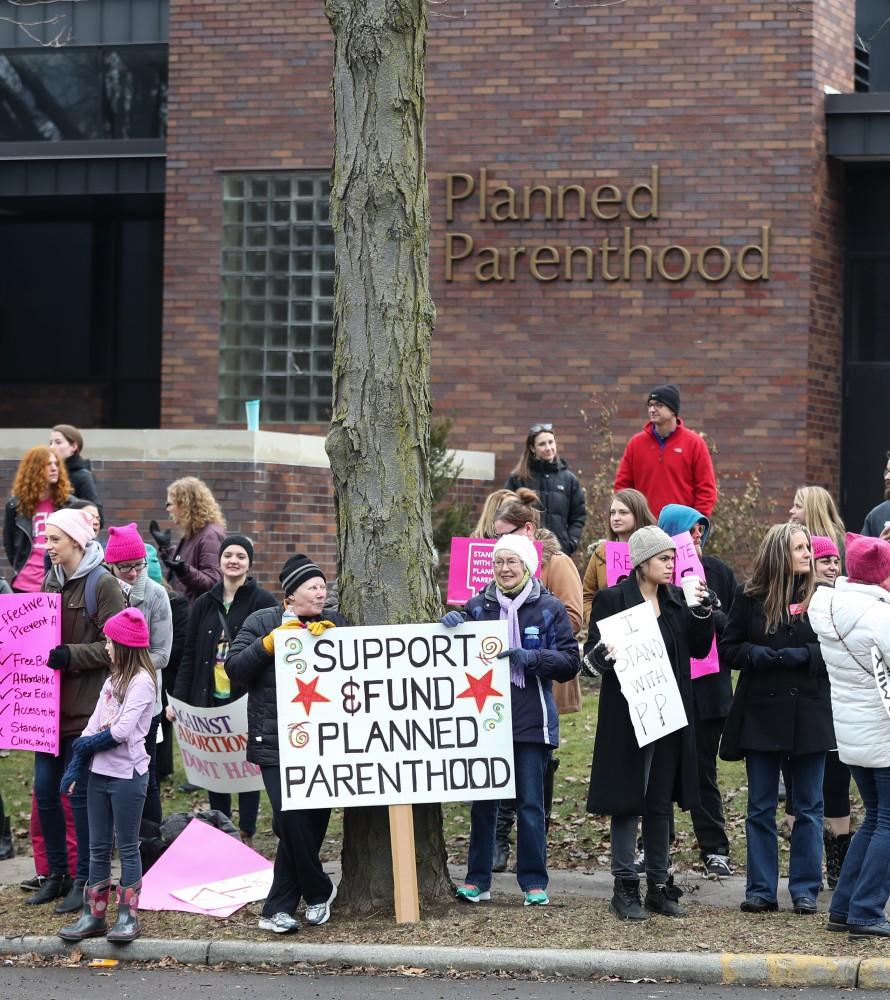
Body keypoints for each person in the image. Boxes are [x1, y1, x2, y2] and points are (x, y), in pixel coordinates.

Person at [443, 533, 580, 907]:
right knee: (483, 804)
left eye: (511, 562)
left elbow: (570, 662)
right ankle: (477, 879)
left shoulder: (548, 608)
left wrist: (533, 659)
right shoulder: (477, 606)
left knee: (530, 806)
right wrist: (452, 623)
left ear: (527, 567)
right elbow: (454, 657)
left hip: (531, 721)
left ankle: (534, 881)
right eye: (498, 562)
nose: (504, 569)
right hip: (486, 723)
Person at [585, 526, 714, 920]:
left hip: (670, 714)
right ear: (642, 563)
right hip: (629, 717)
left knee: (660, 801)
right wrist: (603, 656)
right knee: (629, 799)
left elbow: (698, 648)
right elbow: (590, 662)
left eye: (673, 558)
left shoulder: (675, 599)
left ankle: (658, 884)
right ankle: (625, 886)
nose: (671, 565)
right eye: (664, 559)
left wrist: (702, 612)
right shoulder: (612, 600)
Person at [225, 554, 346, 933]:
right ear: (290, 595)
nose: (321, 593)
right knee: (290, 818)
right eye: (313, 587)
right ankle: (318, 890)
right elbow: (234, 669)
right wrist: (268, 645)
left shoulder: (335, 624)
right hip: (276, 741)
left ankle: (276, 910)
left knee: (312, 822)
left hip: (324, 743)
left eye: (323, 586)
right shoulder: (262, 622)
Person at [719, 523, 834, 915]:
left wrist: (807, 656)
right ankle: (761, 889)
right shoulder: (750, 596)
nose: (808, 554)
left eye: (808, 548)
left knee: (809, 806)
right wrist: (754, 654)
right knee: (760, 806)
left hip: (810, 712)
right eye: (800, 548)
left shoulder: (824, 597)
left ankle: (805, 888)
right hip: (761, 714)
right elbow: (729, 647)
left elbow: (839, 650)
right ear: (779, 554)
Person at [30, 508, 127, 913]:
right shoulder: (49, 582)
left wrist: (69, 654)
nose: (47, 547)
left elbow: (116, 647)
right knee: (46, 793)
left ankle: (87, 879)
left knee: (81, 799)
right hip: (43, 713)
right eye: (46, 539)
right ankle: (57, 874)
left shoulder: (102, 584)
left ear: (75, 541)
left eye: (54, 539)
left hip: (86, 712)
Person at [484, 489, 584, 873]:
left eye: (504, 533)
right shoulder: (495, 565)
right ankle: (499, 836)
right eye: (494, 537)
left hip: (541, 674)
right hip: (499, 680)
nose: (497, 544)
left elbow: (572, 617)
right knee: (502, 756)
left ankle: (532, 840)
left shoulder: (555, 564)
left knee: (535, 758)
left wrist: (531, 629)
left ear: (527, 529)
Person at [57, 607, 157, 943]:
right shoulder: (111, 681)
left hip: (128, 775)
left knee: (128, 847)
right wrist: (75, 767)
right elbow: (90, 726)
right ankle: (94, 916)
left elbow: (121, 732)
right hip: (99, 774)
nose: (107, 647)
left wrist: (84, 748)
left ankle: (128, 917)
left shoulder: (143, 682)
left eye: (111, 642)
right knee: (98, 847)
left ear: (125, 646)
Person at [169, 533, 277, 844]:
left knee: (246, 767)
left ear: (249, 564)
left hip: (247, 700)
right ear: (220, 561)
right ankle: (222, 830)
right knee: (216, 767)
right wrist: (178, 700)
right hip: (209, 700)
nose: (234, 560)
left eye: (241, 556)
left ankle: (246, 833)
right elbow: (190, 656)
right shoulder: (204, 603)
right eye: (228, 555)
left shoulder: (264, 602)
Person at [809, 533, 890, 938]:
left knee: (876, 818)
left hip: (853, 734)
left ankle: (843, 908)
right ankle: (866, 910)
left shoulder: (833, 609)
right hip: (883, 731)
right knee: (888, 821)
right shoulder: (879, 616)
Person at [657, 504, 738, 878]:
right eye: (690, 531)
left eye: (701, 531)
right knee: (660, 768)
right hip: (664, 685)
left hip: (707, 689)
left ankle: (715, 847)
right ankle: (655, 845)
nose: (697, 538)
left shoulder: (718, 572)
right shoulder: (652, 576)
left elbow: (734, 632)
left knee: (703, 768)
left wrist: (713, 610)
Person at [105, 523, 173, 826]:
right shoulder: (103, 590)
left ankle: (149, 841)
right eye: (124, 567)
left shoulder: (156, 596)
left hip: (145, 701)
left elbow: (162, 653)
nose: (132, 573)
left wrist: (126, 664)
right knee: (105, 772)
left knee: (144, 771)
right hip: (106, 700)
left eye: (138, 565)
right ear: (110, 564)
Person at [613, 384, 717, 518]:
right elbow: (623, 487)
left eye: (659, 405)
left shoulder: (694, 443)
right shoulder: (636, 443)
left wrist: (697, 522)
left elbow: (706, 489)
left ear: (673, 410)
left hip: (682, 528)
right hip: (644, 527)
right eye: (650, 405)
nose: (652, 409)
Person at [504, 423, 586, 556]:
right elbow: (505, 513)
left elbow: (578, 516)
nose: (548, 448)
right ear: (532, 448)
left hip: (558, 551)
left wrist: (571, 543)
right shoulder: (518, 478)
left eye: (551, 442)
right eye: (542, 444)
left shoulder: (569, 479)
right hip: (524, 551)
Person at [4, 445, 73, 592]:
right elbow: (9, 544)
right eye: (48, 464)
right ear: (34, 469)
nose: (54, 468)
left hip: (57, 583)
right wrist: (21, 568)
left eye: (56, 464)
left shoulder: (68, 504)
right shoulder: (15, 505)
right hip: (23, 585)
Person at [582, 489, 655, 627]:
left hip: (647, 630)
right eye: (612, 512)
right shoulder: (600, 552)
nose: (615, 518)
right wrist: (593, 620)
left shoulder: (654, 551)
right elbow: (587, 593)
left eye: (623, 512)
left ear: (638, 514)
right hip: (608, 633)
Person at [149, 476, 227, 605]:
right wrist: (167, 548)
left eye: (170, 504)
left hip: (197, 616)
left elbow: (212, 582)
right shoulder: (193, 533)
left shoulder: (209, 535)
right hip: (185, 612)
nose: (167, 509)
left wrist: (184, 571)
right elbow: (186, 563)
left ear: (185, 504)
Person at [49, 425, 102, 518]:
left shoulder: (83, 476)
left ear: (73, 446)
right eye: (51, 443)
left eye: (58, 442)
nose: (52, 447)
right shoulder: (51, 474)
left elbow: (97, 517)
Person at [789, 485, 846, 559]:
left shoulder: (836, 541)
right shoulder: (793, 535)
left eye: (798, 506)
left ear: (813, 511)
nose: (791, 511)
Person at [860, 452, 890, 540]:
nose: (887, 477)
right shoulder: (876, 516)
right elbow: (861, 552)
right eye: (887, 471)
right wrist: (879, 545)